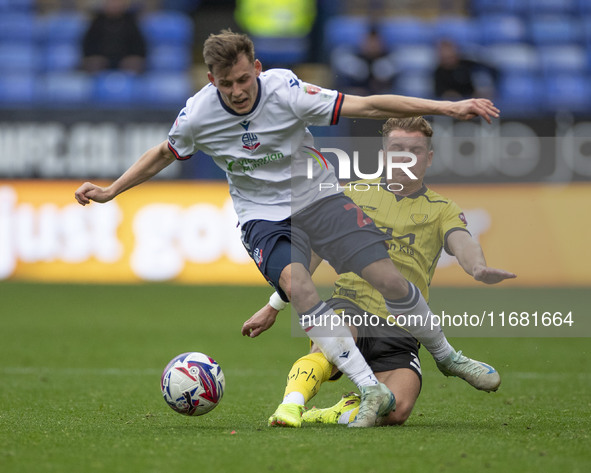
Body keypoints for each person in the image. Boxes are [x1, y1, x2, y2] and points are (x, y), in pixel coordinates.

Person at [74, 30, 499, 428]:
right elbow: (164, 153)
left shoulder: (288, 92)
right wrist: (113, 190)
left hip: (318, 198)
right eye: (226, 84)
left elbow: (368, 106)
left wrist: (447, 107)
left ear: (256, 68)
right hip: (262, 217)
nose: (237, 91)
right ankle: (370, 389)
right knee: (299, 286)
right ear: (211, 80)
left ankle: (448, 357)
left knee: (388, 277)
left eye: (243, 79)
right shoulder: (198, 114)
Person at [244, 117, 516, 427]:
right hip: (351, 306)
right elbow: (311, 257)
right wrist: (275, 304)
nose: (405, 157)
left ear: (428, 157)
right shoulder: (350, 195)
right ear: (383, 154)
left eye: (415, 150)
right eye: (397, 148)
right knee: (330, 345)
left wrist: (478, 268)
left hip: (403, 329)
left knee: (397, 411)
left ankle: (340, 410)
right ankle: (290, 406)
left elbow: (463, 242)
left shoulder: (443, 209)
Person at [82, 0, 147, 74]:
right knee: (93, 63)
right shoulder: (97, 23)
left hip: (125, 59)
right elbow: (88, 44)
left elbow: (139, 45)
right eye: (111, 3)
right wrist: (94, 56)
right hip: (102, 58)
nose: (114, 6)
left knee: (134, 64)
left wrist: (133, 56)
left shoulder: (131, 22)